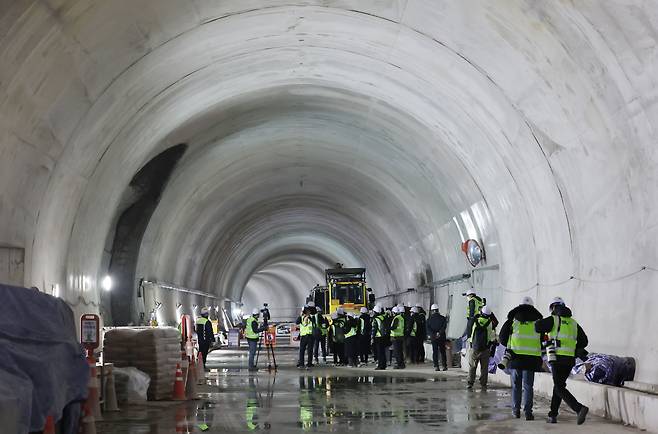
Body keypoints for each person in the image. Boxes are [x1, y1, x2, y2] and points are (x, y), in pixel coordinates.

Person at [535, 297, 589, 425]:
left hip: (557, 358)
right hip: (570, 360)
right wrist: (574, 350)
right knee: (558, 386)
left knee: (559, 387)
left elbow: (537, 327)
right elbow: (584, 341)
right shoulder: (573, 323)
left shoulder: (554, 319)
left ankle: (579, 408)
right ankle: (553, 415)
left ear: (553, 307)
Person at [499, 296, 543, 420]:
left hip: (515, 358)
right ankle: (528, 413)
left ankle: (516, 411)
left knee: (516, 386)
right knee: (528, 386)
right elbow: (542, 340)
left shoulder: (513, 321)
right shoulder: (538, 322)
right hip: (531, 359)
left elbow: (502, 338)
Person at [467, 305, 496, 390]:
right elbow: (492, 337)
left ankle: (470, 383)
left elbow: (470, 333)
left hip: (474, 348)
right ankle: (483, 383)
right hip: (485, 349)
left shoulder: (475, 321)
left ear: (481, 312)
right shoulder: (490, 323)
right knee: (484, 368)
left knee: (472, 366)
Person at [426, 303, 448, 371]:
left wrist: (434, 334)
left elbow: (428, 329)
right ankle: (444, 366)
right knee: (442, 351)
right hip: (441, 337)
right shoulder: (443, 318)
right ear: (438, 310)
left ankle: (436, 366)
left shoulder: (429, 319)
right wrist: (439, 333)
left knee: (435, 351)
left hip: (434, 337)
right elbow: (444, 327)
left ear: (432, 311)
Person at [296, 304, 316, 368]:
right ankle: (301, 364)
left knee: (310, 351)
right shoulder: (301, 317)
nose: (308, 312)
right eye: (307, 311)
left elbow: (314, 322)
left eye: (309, 311)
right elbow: (297, 322)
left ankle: (309, 363)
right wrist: (301, 315)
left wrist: (308, 317)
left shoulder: (312, 317)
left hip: (310, 336)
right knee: (302, 350)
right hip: (303, 336)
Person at [371, 305, 388, 370]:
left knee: (379, 352)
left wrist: (372, 338)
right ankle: (384, 365)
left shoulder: (375, 319)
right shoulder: (383, 317)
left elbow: (374, 329)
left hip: (378, 337)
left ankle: (380, 365)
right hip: (383, 337)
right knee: (383, 352)